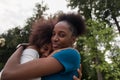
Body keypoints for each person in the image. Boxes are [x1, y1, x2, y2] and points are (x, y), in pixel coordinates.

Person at [1, 13, 86, 80]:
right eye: (53, 34)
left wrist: (21, 47)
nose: (55, 39)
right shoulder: (54, 56)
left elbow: (7, 74)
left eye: (62, 35)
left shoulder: (70, 53)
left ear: (73, 39)